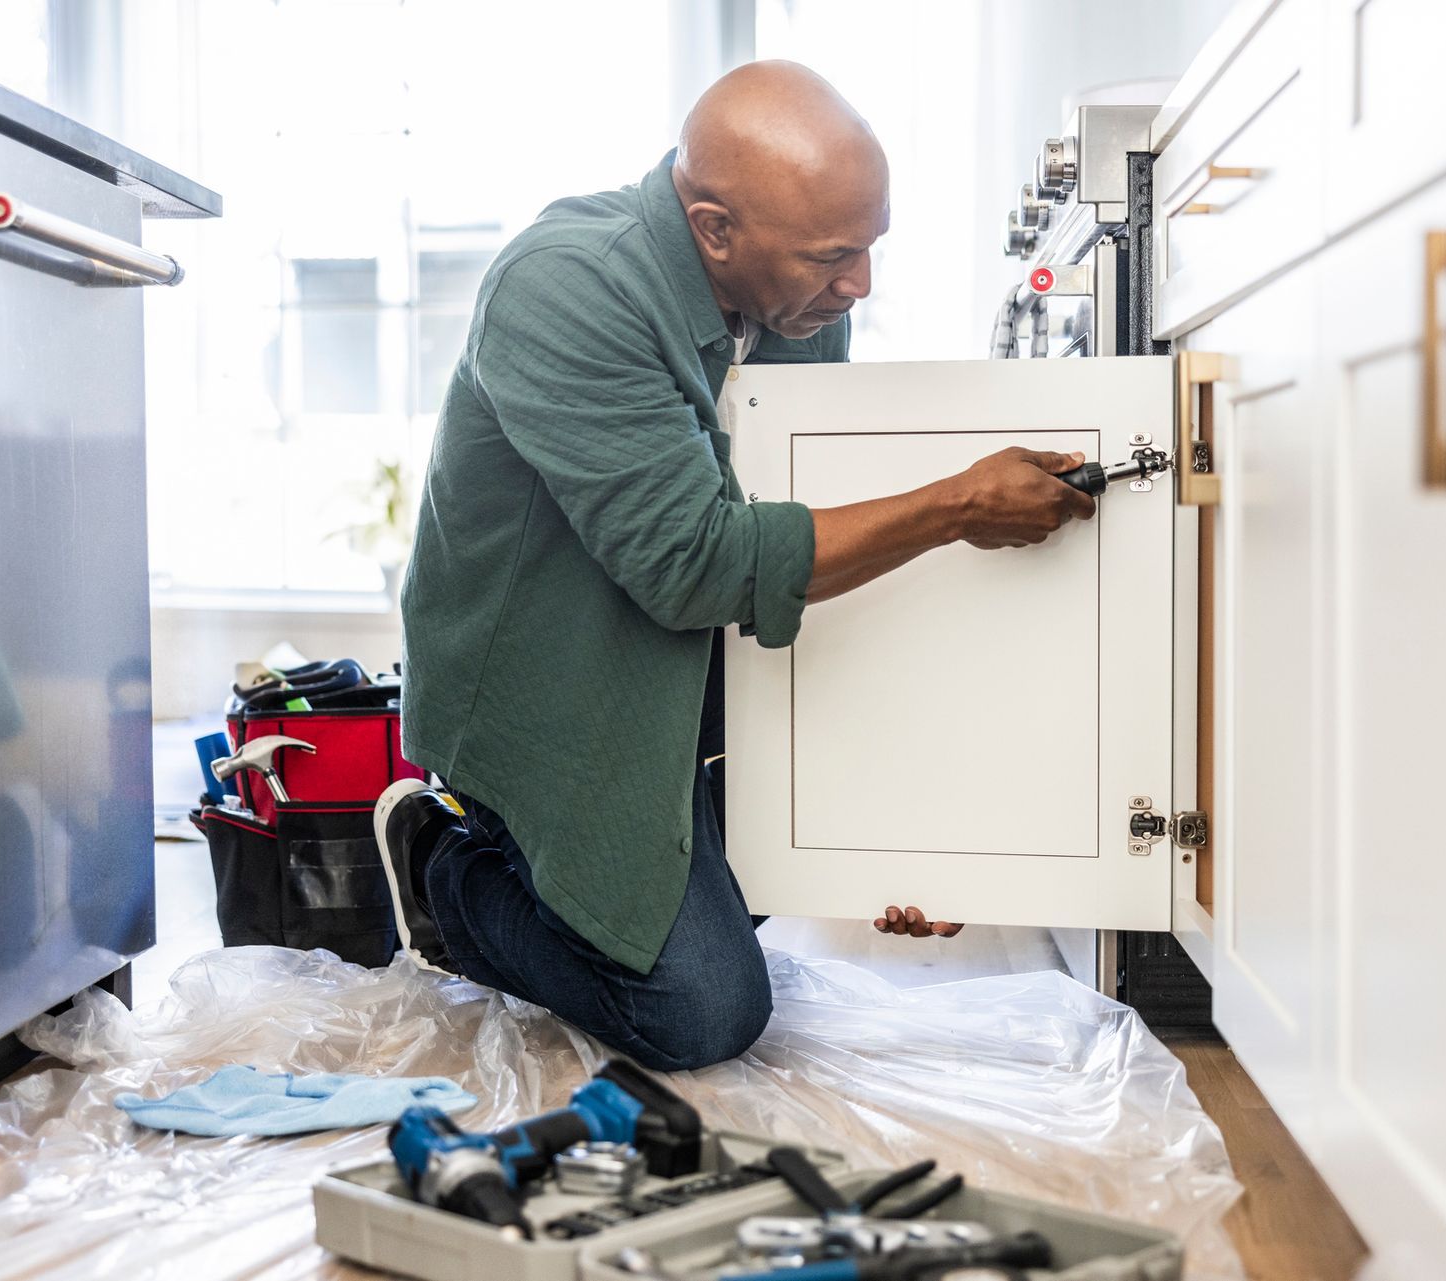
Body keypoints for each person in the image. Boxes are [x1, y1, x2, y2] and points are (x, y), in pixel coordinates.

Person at [375, 61, 1095, 1072]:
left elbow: (801, 542)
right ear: (714, 228)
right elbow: (698, 568)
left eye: (871, 247)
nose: (861, 286)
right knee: (699, 1011)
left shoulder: (804, 313)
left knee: (731, 921)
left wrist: (899, 840)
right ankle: (448, 872)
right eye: (833, 256)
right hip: (553, 689)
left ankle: (656, 867)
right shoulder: (567, 286)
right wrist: (956, 504)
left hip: (693, 674)